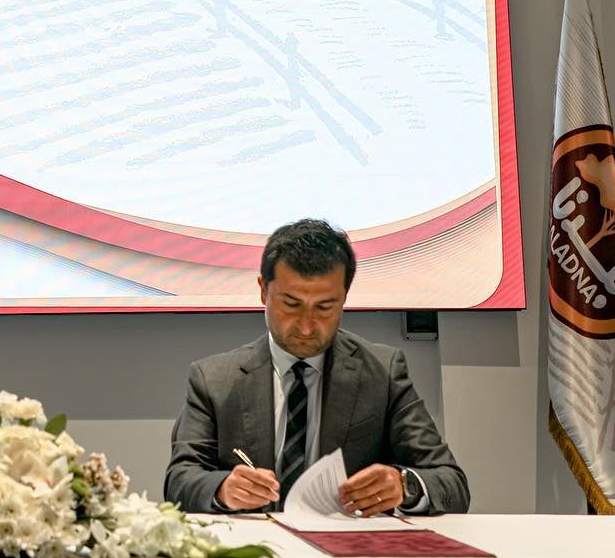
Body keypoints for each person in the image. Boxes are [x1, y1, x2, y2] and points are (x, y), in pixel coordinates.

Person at [164, 219, 469, 515]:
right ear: (263, 291)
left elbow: (451, 484)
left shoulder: (383, 372)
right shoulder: (214, 380)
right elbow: (179, 481)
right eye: (291, 304)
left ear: (344, 297)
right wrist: (222, 489)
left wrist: (405, 485)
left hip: (349, 543)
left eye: (324, 307)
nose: (306, 327)